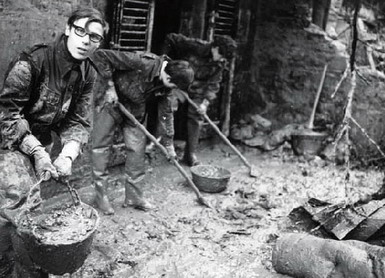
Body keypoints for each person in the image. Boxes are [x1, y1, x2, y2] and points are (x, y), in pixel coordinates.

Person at [0, 7, 108, 277]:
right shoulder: (33, 62)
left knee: (24, 208)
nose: (86, 41)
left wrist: (67, 155)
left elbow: (79, 121)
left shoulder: (88, 73)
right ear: (68, 29)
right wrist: (36, 151)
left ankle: (22, 264)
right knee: (21, 207)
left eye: (94, 37)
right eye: (81, 31)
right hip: (10, 143)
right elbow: (6, 115)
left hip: (43, 144)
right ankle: (18, 267)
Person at [91, 50, 194, 215]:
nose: (173, 90)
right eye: (173, 87)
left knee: (137, 151)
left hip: (135, 110)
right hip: (111, 103)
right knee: (101, 147)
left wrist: (169, 144)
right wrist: (110, 87)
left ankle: (133, 197)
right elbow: (101, 55)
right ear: (168, 77)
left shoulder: (168, 82)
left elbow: (166, 114)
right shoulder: (142, 62)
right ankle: (100, 195)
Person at [160, 33, 237, 166]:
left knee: (196, 116)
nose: (222, 59)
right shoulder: (195, 46)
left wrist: (205, 103)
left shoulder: (220, 63)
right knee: (169, 106)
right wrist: (163, 64)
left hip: (197, 90)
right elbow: (170, 38)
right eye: (221, 55)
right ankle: (163, 146)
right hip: (179, 85)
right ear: (215, 48)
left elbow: (213, 85)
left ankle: (190, 154)